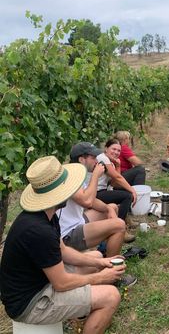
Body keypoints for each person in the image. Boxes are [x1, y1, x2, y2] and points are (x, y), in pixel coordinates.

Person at [0, 156, 125, 334]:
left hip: (38, 282)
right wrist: (101, 278)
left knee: (96, 257)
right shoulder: (39, 231)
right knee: (111, 296)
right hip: (30, 303)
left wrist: (102, 263)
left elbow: (64, 251)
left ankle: (81, 311)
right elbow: (61, 283)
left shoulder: (45, 215)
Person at [57, 142, 126, 257]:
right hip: (67, 235)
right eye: (93, 158)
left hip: (77, 221)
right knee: (119, 225)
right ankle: (111, 268)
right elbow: (87, 202)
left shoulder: (76, 174)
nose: (96, 161)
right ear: (81, 159)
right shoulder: (69, 177)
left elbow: (92, 201)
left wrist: (108, 208)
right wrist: (95, 175)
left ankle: (104, 250)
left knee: (112, 207)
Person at [94, 139, 137, 222]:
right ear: (106, 148)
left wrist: (117, 166)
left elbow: (114, 183)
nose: (116, 152)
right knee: (127, 196)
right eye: (113, 149)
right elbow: (118, 178)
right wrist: (133, 191)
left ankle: (122, 220)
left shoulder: (111, 163)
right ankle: (120, 223)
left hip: (102, 191)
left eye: (118, 151)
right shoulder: (102, 158)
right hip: (95, 192)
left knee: (126, 193)